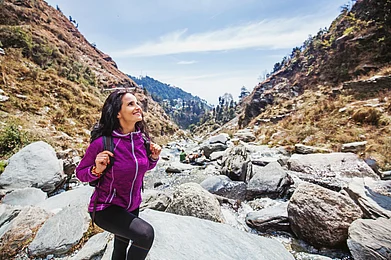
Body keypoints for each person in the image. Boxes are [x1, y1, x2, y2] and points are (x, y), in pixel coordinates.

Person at [75, 89, 161, 260]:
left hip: (132, 205)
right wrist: (96, 170)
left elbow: (142, 168)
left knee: (120, 248)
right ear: (117, 114)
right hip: (106, 208)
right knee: (145, 234)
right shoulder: (103, 143)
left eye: (137, 103)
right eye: (130, 104)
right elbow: (81, 174)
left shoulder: (141, 139)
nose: (138, 107)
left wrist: (153, 158)